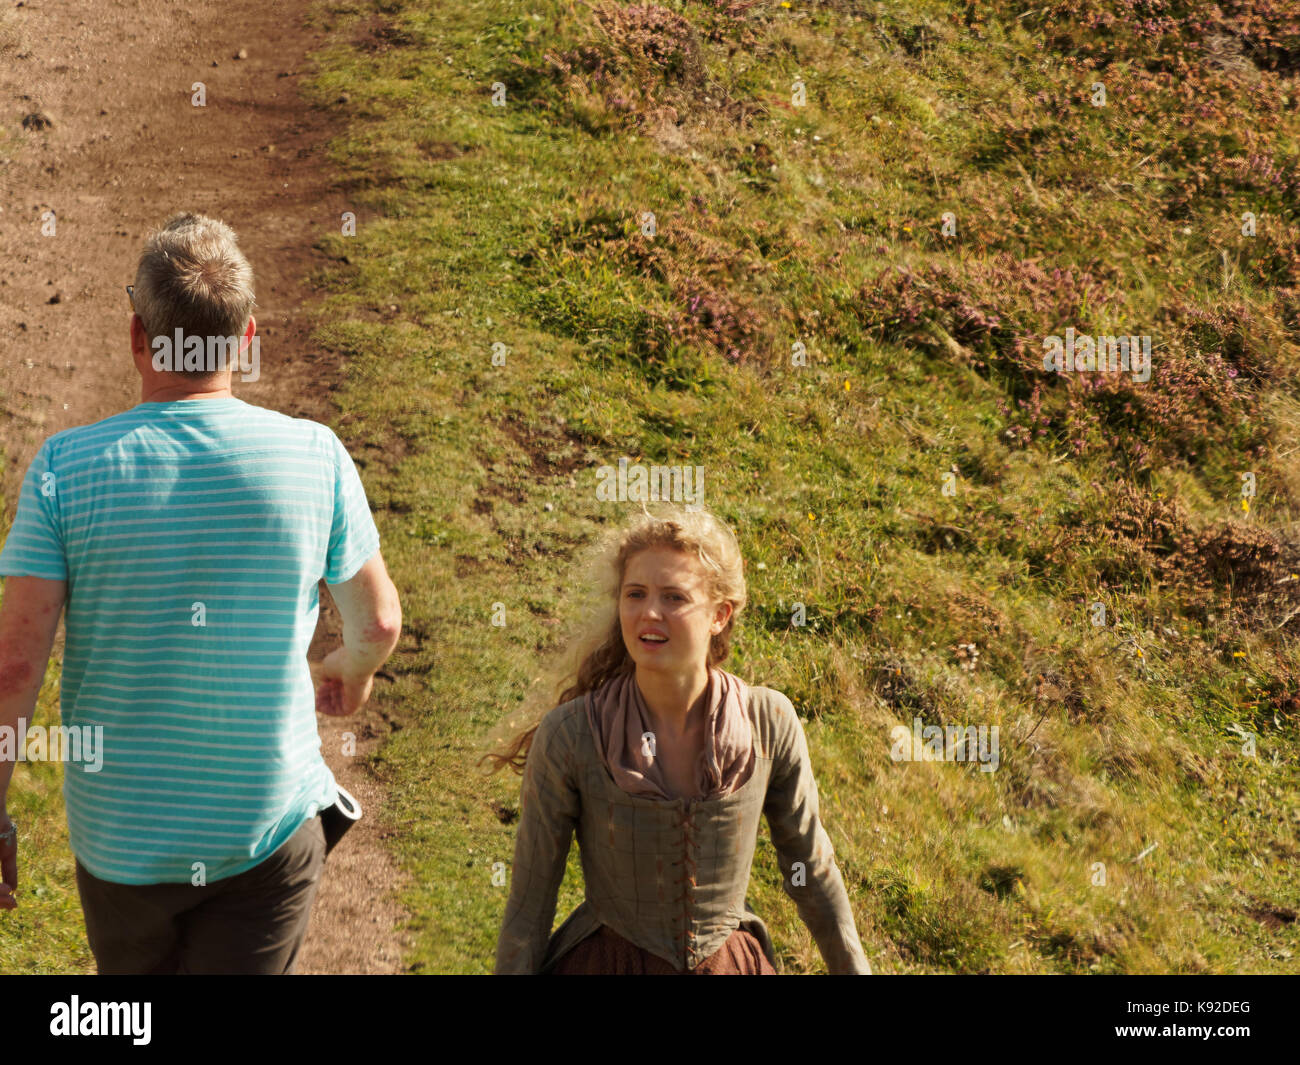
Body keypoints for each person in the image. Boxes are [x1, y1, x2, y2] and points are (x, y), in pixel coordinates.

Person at [0, 212, 402, 974]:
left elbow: (15, 669)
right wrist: (351, 670)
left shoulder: (64, 468)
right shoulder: (314, 455)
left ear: (136, 338)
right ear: (247, 342)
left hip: (120, 846)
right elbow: (378, 619)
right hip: (264, 829)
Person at [487, 504, 871, 974]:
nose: (650, 612)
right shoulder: (571, 734)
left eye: (674, 597)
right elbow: (529, 906)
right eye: (635, 594)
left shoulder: (769, 722)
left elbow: (811, 870)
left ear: (719, 615)